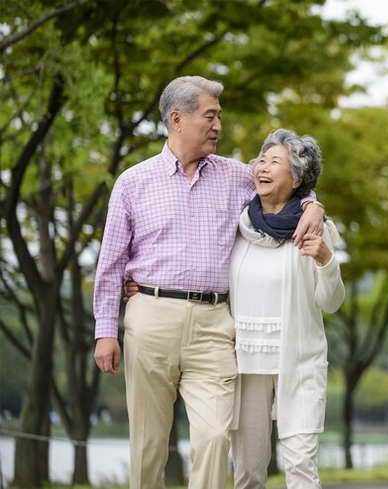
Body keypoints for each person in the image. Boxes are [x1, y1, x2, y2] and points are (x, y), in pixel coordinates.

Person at [92, 76, 325, 489]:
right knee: (148, 444)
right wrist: (105, 331)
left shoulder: (238, 176)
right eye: (210, 115)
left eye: (220, 115)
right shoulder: (133, 182)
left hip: (216, 323)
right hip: (151, 316)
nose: (219, 125)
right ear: (177, 119)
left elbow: (287, 187)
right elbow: (111, 264)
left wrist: (313, 205)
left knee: (216, 436)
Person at [229, 129, 344, 489]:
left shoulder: (313, 230)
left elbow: (332, 301)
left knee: (300, 467)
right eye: (261, 159)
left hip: (298, 360)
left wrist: (325, 259)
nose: (262, 167)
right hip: (245, 362)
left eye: (274, 162)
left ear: (296, 179)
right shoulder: (237, 225)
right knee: (247, 470)